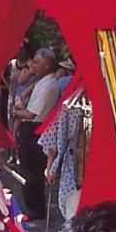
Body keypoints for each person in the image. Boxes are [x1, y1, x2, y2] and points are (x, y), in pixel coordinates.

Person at [14, 46, 63, 217]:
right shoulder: (41, 82)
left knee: (33, 170)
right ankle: (31, 205)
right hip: (30, 127)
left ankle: (36, 207)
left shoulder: (49, 85)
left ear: (48, 65)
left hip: (36, 127)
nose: (33, 65)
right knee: (27, 168)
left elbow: (31, 113)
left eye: (37, 62)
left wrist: (15, 112)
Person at [40, 91, 89, 220]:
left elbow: (55, 139)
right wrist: (51, 166)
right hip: (74, 165)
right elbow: (56, 139)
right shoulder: (71, 104)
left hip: (85, 165)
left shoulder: (70, 104)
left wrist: (51, 167)